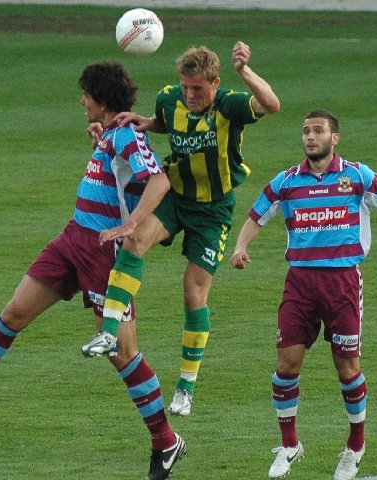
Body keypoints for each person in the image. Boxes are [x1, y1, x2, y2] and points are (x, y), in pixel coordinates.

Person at [0, 61, 186, 480]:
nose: (81, 101)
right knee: (14, 313)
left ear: (101, 98)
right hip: (72, 239)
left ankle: (166, 442)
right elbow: (115, 178)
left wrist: (131, 225)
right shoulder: (112, 134)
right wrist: (101, 143)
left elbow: (159, 181)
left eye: (85, 95)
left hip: (102, 254)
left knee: (123, 352)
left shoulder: (129, 134)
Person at [81, 41, 281, 417]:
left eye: (198, 89)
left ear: (215, 83)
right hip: (175, 196)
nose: (190, 95)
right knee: (135, 238)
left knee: (193, 292)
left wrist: (246, 72)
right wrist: (146, 122)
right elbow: (167, 121)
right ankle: (109, 330)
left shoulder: (230, 104)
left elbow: (271, 105)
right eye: (185, 87)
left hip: (213, 210)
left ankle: (186, 387)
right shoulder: (169, 98)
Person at [230, 109, 377, 480]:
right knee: (286, 364)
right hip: (300, 284)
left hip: (342, 284)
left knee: (347, 368)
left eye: (318, 131)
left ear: (334, 138)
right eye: (305, 131)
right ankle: (290, 445)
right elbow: (257, 215)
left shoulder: (356, 176)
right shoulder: (287, 181)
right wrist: (240, 247)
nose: (310, 137)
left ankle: (355, 446)